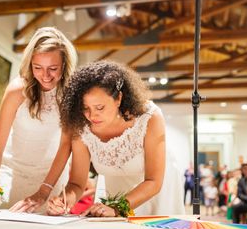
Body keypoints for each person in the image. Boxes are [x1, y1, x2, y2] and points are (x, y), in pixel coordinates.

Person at [47, 60, 184, 217]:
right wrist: (63, 201)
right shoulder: (81, 126)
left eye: (100, 107)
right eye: (85, 108)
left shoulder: (149, 117)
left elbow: (153, 181)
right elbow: (77, 184)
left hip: (156, 191)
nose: (92, 116)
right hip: (116, 193)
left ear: (118, 98)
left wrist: (118, 208)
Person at [0, 27, 77, 211]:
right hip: (12, 175)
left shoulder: (71, 95)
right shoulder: (17, 91)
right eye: (37, 67)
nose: (45, 76)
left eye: (53, 69)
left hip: (51, 179)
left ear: (64, 65)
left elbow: (65, 147)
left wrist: (44, 191)